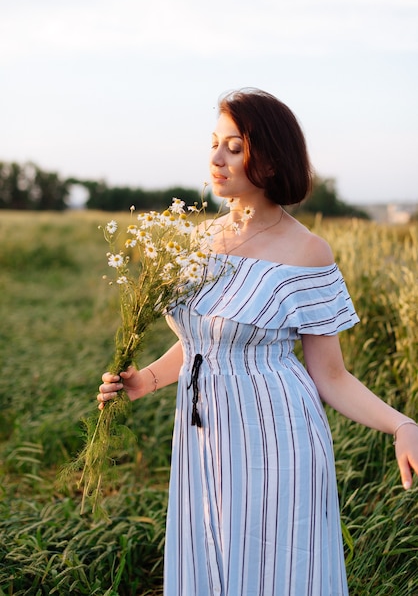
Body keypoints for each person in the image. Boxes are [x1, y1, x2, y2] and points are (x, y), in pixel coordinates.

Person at [98, 88, 418, 596]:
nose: (216, 158)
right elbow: (203, 340)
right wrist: (148, 380)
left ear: (268, 157)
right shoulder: (199, 240)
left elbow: (330, 374)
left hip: (276, 435)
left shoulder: (307, 252)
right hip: (202, 433)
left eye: (234, 146)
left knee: (276, 568)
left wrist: (401, 424)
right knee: (210, 554)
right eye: (214, 143)